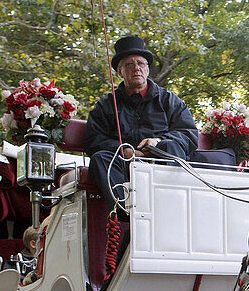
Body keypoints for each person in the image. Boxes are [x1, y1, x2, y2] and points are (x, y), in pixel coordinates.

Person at [84, 34, 198, 211]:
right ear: (120, 72)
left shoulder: (169, 100)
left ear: (147, 69)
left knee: (173, 146)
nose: (136, 68)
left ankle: (171, 207)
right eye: (129, 64)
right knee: (100, 159)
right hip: (123, 164)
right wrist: (124, 149)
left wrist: (157, 143)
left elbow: (188, 135)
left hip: (161, 162)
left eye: (141, 63)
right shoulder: (106, 105)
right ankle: (125, 212)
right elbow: (93, 140)